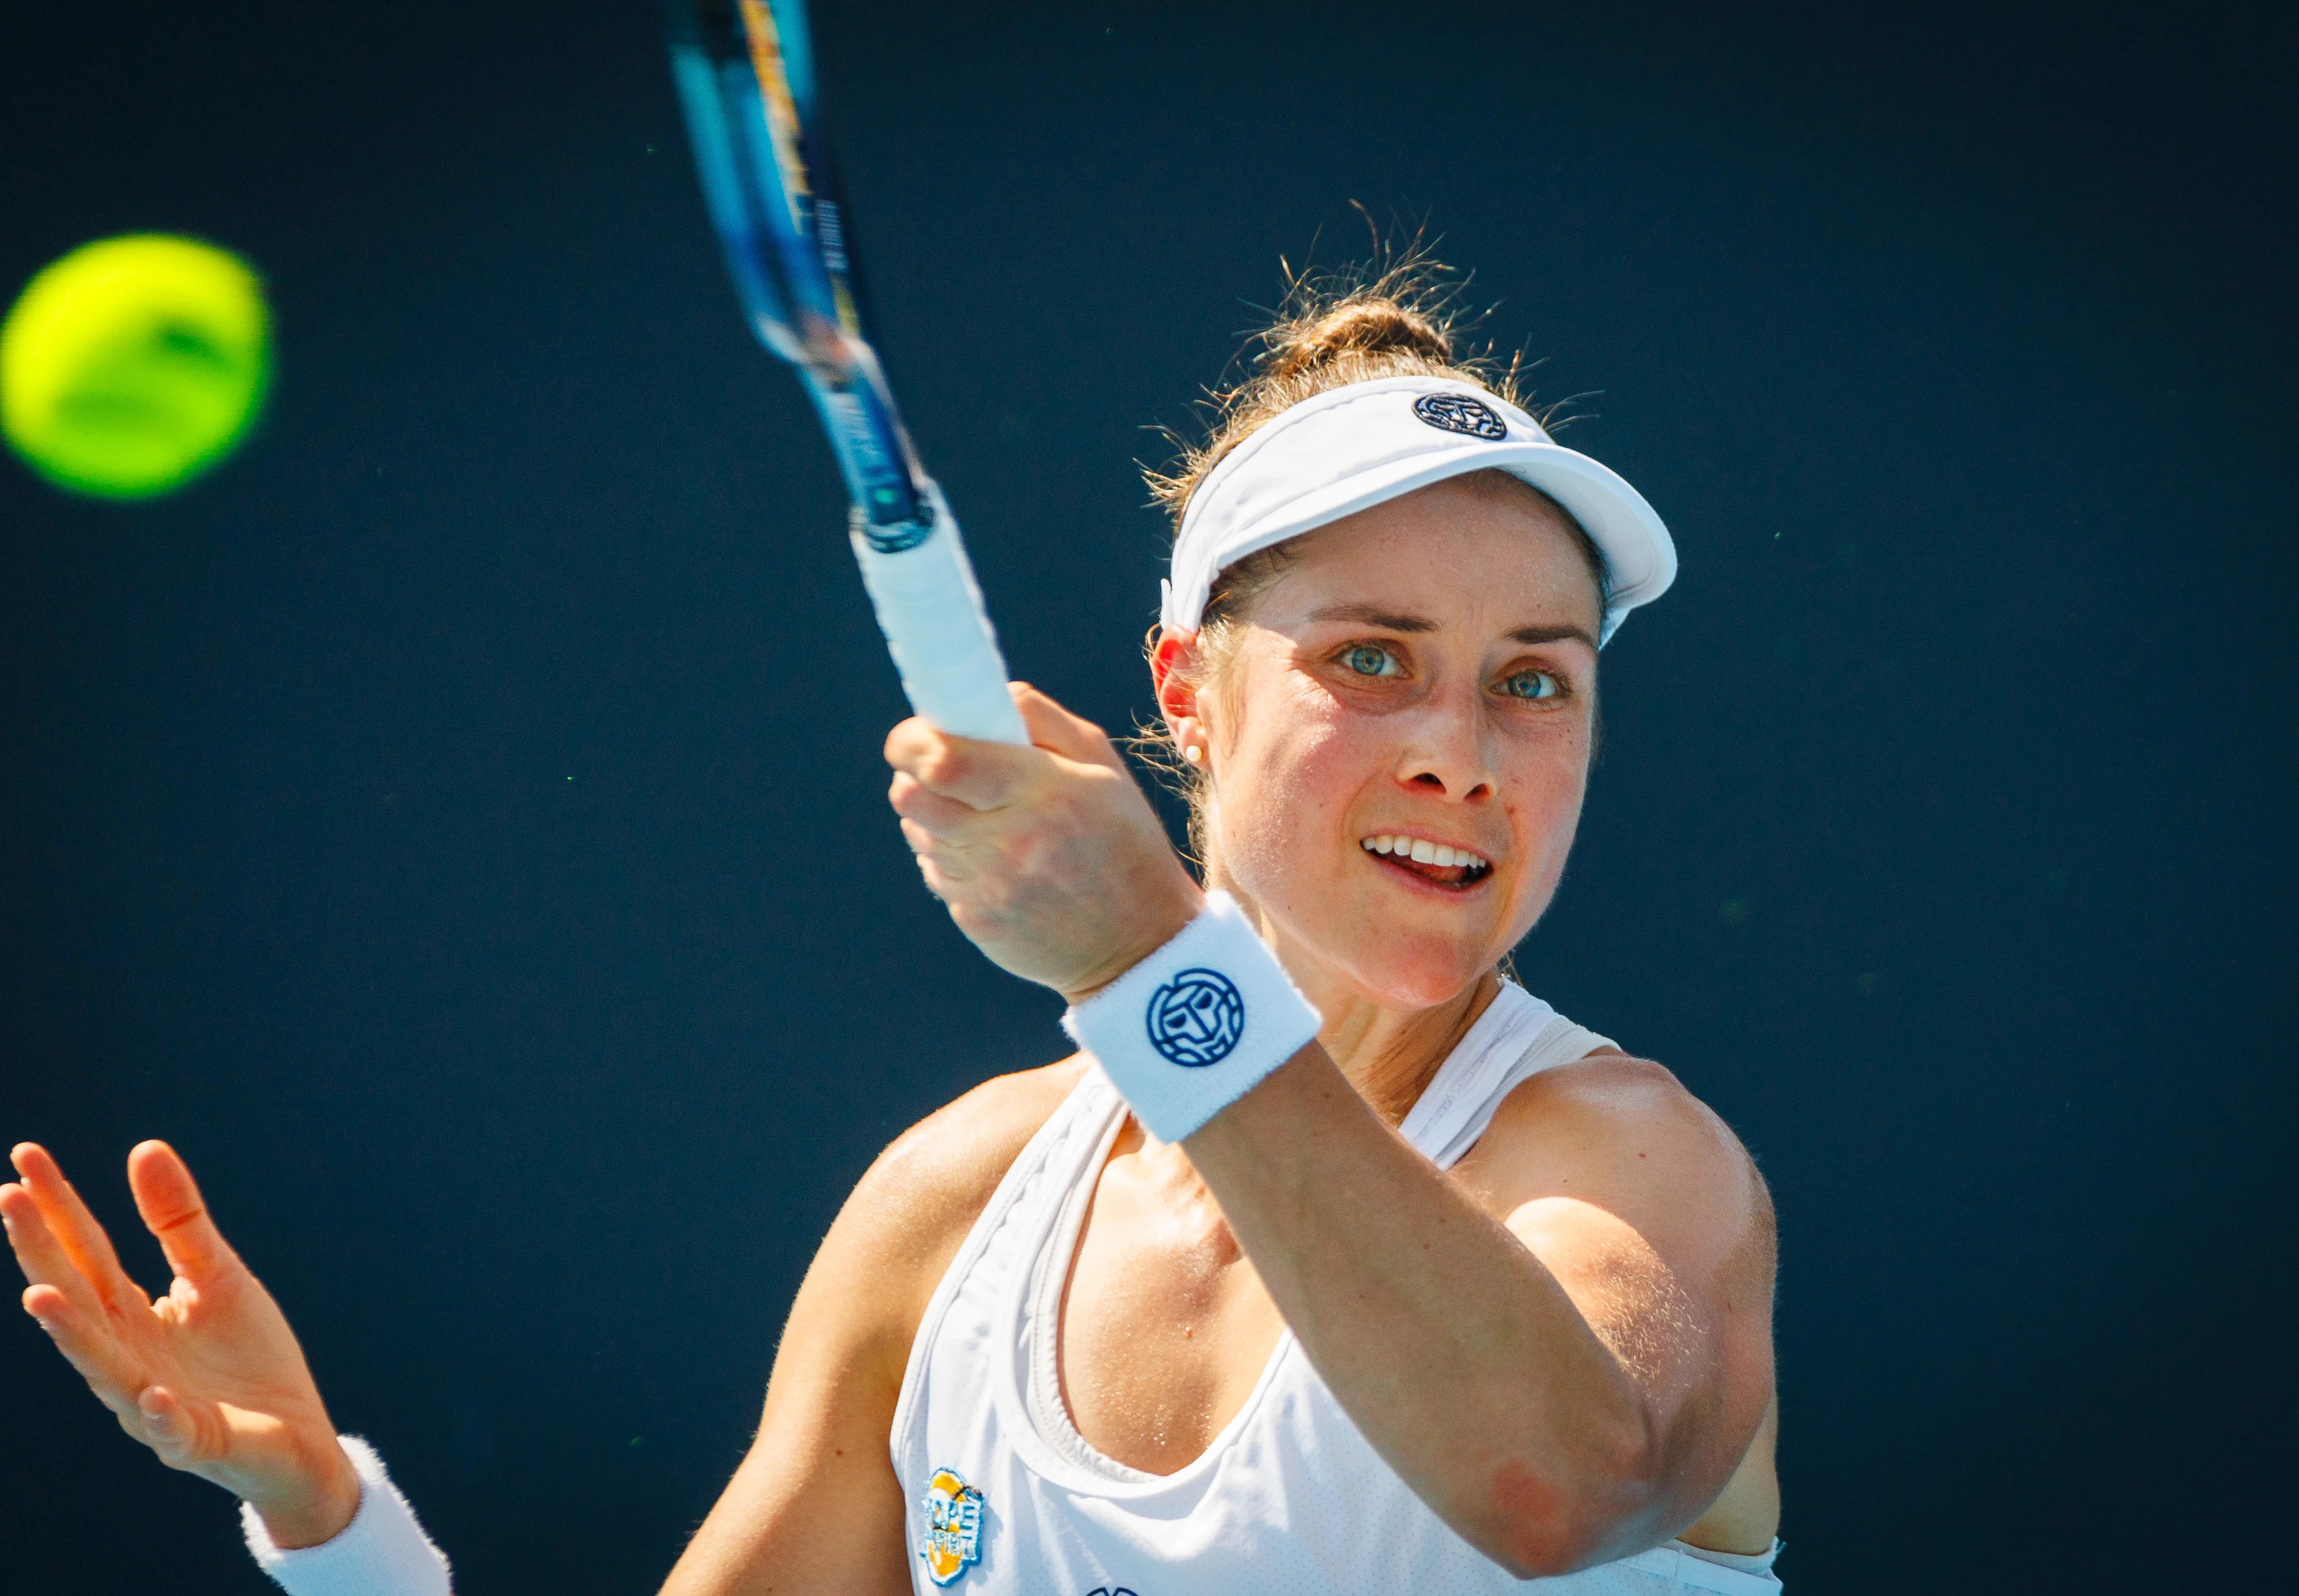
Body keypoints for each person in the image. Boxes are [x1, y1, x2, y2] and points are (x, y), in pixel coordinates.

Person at [5, 264, 1782, 1595]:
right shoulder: (945, 1219)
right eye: (1370, 660)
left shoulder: (1634, 1167)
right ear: (1188, 695)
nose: (1460, 755)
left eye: (1531, 682)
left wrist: (1153, 972)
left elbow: (1553, 1484)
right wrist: (333, 1524)